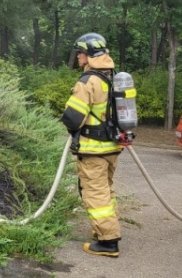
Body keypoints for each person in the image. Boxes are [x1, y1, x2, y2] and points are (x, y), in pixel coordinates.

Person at [60, 33, 122, 258]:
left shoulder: (88, 81)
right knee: (106, 190)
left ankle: (108, 241)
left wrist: (67, 122)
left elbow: (73, 118)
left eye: (80, 52)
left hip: (93, 149)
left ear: (89, 55)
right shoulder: (112, 76)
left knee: (95, 194)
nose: (78, 57)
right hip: (112, 147)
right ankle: (104, 229)